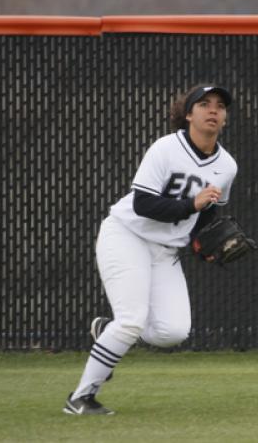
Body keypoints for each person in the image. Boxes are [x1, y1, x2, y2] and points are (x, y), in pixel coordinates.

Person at [63, 84, 238, 415]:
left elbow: (209, 212)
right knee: (131, 320)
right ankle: (81, 399)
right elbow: (143, 204)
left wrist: (203, 245)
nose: (213, 110)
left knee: (173, 332)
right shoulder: (166, 149)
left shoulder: (227, 165)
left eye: (220, 105)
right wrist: (191, 204)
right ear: (189, 114)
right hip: (127, 235)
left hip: (165, 251)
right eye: (204, 104)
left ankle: (106, 332)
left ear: (225, 117)